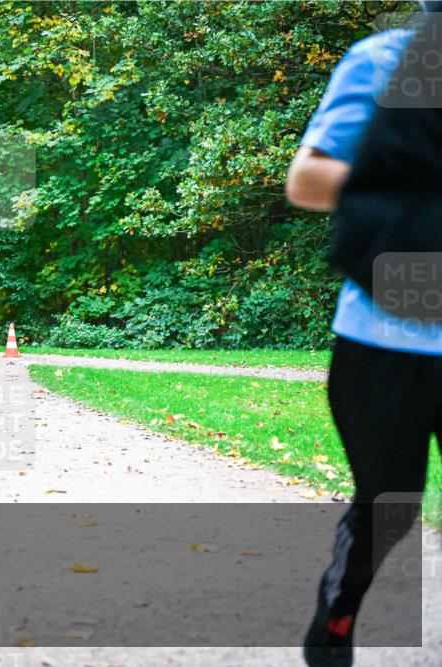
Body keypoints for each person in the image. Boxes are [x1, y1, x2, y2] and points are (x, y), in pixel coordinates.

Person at [285, 8, 442, 667]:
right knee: (390, 502)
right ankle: (335, 624)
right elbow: (307, 181)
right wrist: (417, 190)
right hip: (387, 340)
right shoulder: (384, 59)